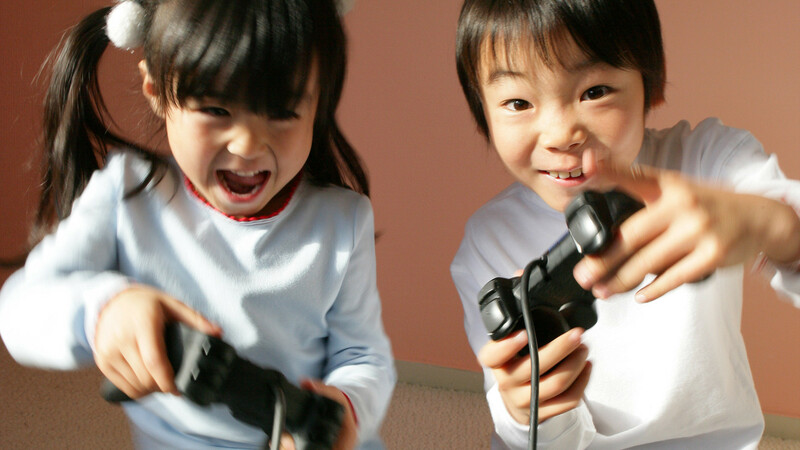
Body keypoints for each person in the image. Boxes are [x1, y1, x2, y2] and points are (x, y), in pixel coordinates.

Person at [0, 0, 395, 448]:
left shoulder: (342, 222)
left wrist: (347, 406)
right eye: (215, 109)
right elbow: (18, 308)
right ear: (155, 89)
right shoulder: (127, 194)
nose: (247, 145)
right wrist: (102, 310)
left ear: (317, 102)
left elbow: (362, 355)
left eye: (282, 112)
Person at [450, 0, 800, 448]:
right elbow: (534, 431)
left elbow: (783, 221)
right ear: (482, 112)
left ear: (650, 83)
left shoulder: (710, 161)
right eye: (518, 102)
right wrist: (526, 409)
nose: (560, 135)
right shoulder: (488, 239)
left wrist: (773, 225)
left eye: (595, 91)